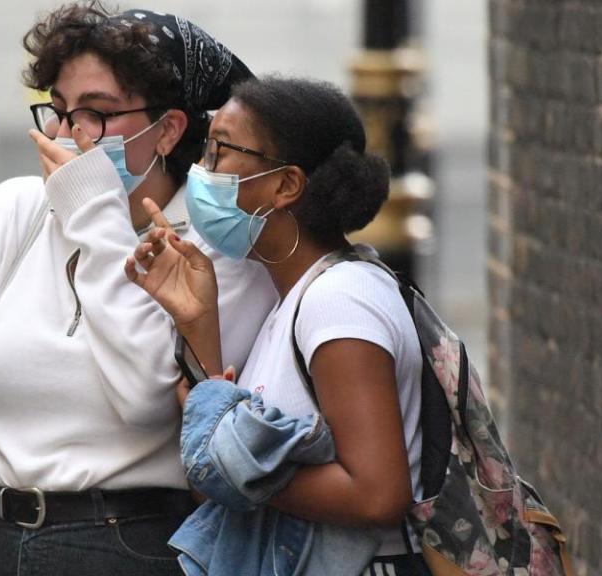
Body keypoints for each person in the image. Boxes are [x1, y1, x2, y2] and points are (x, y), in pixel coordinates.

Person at [0, 3, 276, 576]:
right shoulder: (18, 211)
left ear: (169, 128)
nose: (69, 134)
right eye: (59, 111)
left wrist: (95, 211)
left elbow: (144, 401)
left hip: (124, 543)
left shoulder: (213, 251)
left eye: (99, 113)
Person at [126, 76, 432, 575]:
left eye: (219, 152)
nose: (202, 172)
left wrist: (249, 474)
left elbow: (377, 493)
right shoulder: (291, 300)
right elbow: (211, 478)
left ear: (286, 185)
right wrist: (198, 319)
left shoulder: (341, 299)